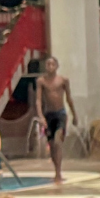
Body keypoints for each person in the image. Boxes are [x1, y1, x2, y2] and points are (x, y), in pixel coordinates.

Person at [34, 57, 77, 185]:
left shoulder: (63, 80)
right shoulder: (41, 81)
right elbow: (38, 100)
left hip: (61, 114)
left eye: (52, 64)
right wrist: (41, 116)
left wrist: (75, 115)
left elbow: (69, 98)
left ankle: (58, 172)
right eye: (48, 64)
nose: (50, 66)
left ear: (57, 66)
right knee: (52, 145)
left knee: (58, 142)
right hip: (49, 115)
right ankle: (56, 170)